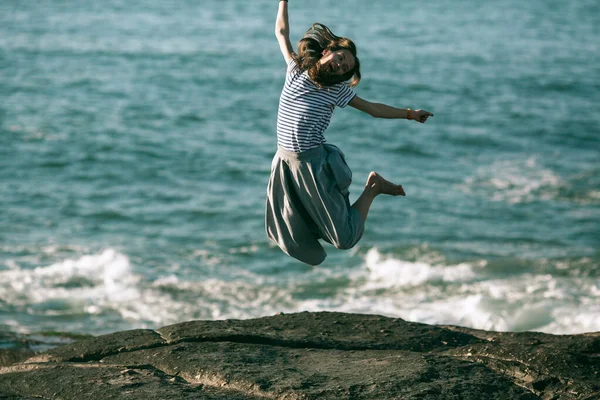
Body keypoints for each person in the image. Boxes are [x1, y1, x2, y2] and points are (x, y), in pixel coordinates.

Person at [266, 0, 433, 265]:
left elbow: (373, 109)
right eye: (340, 58)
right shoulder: (295, 70)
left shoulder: (336, 92)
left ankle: (373, 187)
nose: (340, 66)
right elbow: (281, 32)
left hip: (314, 165)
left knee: (343, 238)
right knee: (292, 229)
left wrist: (410, 113)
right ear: (326, 52)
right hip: (285, 163)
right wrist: (283, 2)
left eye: (344, 69)